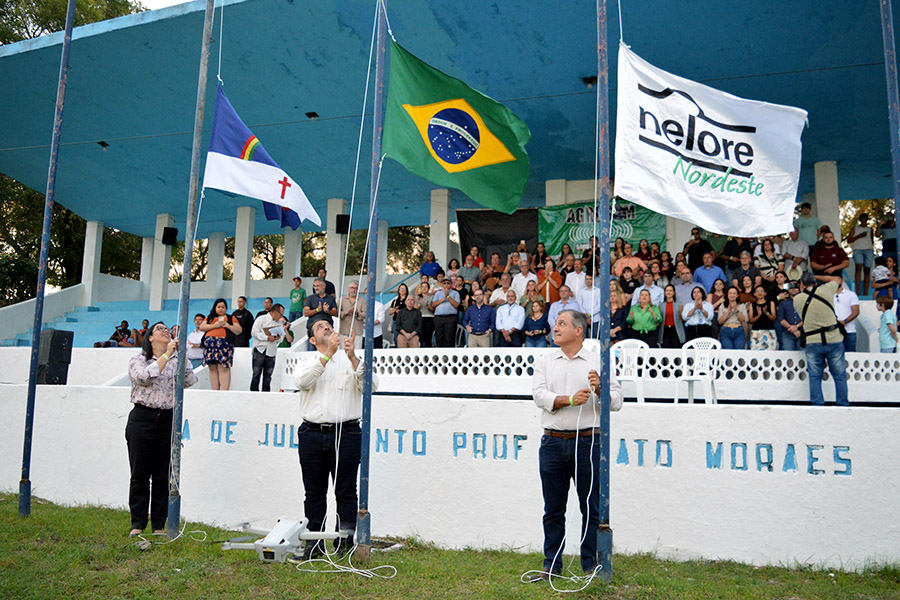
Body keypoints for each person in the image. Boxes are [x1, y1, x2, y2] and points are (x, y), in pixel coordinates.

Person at [531, 309, 623, 578]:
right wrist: (569, 400)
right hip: (552, 442)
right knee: (553, 509)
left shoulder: (599, 360)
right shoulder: (545, 360)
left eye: (562, 323)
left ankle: (589, 567)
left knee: (590, 508)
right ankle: (552, 566)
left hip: (587, 442)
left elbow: (616, 401)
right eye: (556, 323)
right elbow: (538, 395)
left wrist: (600, 389)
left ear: (578, 330)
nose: (555, 328)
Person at [294, 317, 375, 558]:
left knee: (347, 492)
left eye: (328, 325)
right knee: (314, 493)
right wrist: (327, 354)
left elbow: (372, 386)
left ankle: (345, 546)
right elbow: (302, 382)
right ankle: (314, 545)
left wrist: (352, 359)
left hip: (347, 432)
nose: (326, 327)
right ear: (311, 339)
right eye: (320, 326)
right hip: (312, 433)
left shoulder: (351, 359)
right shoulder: (306, 361)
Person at [126, 322, 197, 536]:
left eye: (167, 329)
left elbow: (191, 380)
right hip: (142, 418)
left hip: (167, 418)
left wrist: (182, 358)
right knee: (139, 474)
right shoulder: (138, 360)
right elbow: (143, 378)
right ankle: (137, 524)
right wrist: (166, 355)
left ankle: (159, 525)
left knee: (162, 475)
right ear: (150, 337)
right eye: (160, 329)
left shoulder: (176, 360)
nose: (165, 331)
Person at [794, 273, 848, 406]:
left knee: (815, 376)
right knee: (839, 376)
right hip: (833, 338)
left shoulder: (797, 299)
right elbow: (837, 279)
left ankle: (817, 404)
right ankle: (843, 404)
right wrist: (819, 276)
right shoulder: (826, 289)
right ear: (816, 283)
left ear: (802, 285)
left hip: (813, 340)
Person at [199, 298, 242, 391]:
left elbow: (239, 330)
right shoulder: (209, 318)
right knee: (212, 368)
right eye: (218, 307)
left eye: (223, 307)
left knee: (224, 368)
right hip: (210, 346)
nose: (220, 309)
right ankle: (215, 390)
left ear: (226, 308)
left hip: (224, 345)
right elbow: (202, 327)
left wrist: (228, 326)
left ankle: (224, 391)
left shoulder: (231, 318)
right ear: (215, 308)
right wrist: (215, 325)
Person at [249, 303, 287, 392]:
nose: (281, 316)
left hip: (271, 351)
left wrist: (277, 338)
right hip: (260, 349)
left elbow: (281, 338)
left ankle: (266, 394)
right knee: (256, 373)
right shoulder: (261, 319)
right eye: (281, 314)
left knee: (268, 375)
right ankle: (254, 393)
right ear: (274, 312)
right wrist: (266, 337)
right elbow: (254, 332)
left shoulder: (279, 324)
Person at [304, 278, 339, 350]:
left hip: (327, 330)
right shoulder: (310, 298)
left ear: (324, 286)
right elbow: (306, 313)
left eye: (318, 286)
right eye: (315, 286)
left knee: (328, 352)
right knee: (312, 354)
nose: (316, 288)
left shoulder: (331, 298)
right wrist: (317, 310)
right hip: (313, 331)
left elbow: (336, 313)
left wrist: (328, 311)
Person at [848, 213, 875, 296]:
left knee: (867, 270)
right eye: (862, 220)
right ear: (860, 220)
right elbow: (849, 240)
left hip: (868, 250)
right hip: (858, 250)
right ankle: (858, 292)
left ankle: (866, 293)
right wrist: (859, 236)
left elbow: (872, 240)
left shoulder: (870, 229)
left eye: (865, 220)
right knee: (858, 268)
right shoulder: (855, 228)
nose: (864, 222)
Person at [431, 277, 460, 348]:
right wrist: (443, 298)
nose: (446, 285)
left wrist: (448, 296)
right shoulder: (438, 293)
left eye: (448, 283)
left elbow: (456, 304)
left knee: (450, 338)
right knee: (439, 337)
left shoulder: (455, 293)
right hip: (439, 318)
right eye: (444, 283)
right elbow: (434, 304)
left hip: (450, 318)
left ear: (451, 285)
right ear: (442, 285)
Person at [834, 280, 860, 353]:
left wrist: (845, 321)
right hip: (833, 332)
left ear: (841, 281)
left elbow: (856, 311)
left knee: (851, 356)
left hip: (849, 331)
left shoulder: (851, 294)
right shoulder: (827, 295)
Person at [748, 285, 778, 350]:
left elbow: (774, 318)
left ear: (765, 293)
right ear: (754, 294)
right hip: (756, 331)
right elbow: (751, 320)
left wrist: (766, 313)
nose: (759, 293)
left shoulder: (770, 303)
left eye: (762, 291)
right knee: (755, 353)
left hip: (769, 331)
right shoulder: (752, 305)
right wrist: (759, 315)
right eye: (757, 291)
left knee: (770, 352)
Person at [776, 281, 803, 351]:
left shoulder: (805, 301)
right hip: (787, 334)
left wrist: (796, 327)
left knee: (803, 358)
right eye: (791, 287)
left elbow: (808, 317)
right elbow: (781, 319)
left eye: (795, 286)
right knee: (787, 357)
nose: (793, 288)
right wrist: (793, 329)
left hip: (802, 333)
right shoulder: (783, 303)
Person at [338, 281, 366, 348]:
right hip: (344, 331)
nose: (353, 290)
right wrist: (346, 312)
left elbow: (365, 314)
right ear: (348, 288)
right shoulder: (342, 300)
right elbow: (337, 313)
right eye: (352, 288)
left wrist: (357, 313)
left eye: (356, 288)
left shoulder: (362, 300)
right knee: (343, 351)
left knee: (357, 351)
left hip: (357, 331)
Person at [658, 284, 685, 349]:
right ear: (664, 292)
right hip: (665, 330)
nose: (669, 292)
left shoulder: (679, 305)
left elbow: (681, 319)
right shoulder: (660, 305)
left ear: (674, 292)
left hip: (676, 330)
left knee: (676, 348)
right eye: (667, 290)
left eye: (670, 290)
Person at [577, 274, 603, 339]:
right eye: (587, 279)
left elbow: (599, 305)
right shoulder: (581, 292)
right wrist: (586, 315)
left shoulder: (598, 291)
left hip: (595, 318)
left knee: (596, 339)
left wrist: (589, 314)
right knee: (583, 340)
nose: (588, 281)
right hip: (583, 318)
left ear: (593, 280)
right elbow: (579, 305)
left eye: (590, 279)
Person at [416, 274, 436, 348]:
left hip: (429, 318)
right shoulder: (417, 297)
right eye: (422, 287)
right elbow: (415, 309)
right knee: (420, 339)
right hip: (420, 319)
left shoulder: (432, 297)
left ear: (428, 288)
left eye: (426, 287)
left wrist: (428, 306)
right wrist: (419, 303)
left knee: (428, 339)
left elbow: (433, 310)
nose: (424, 288)